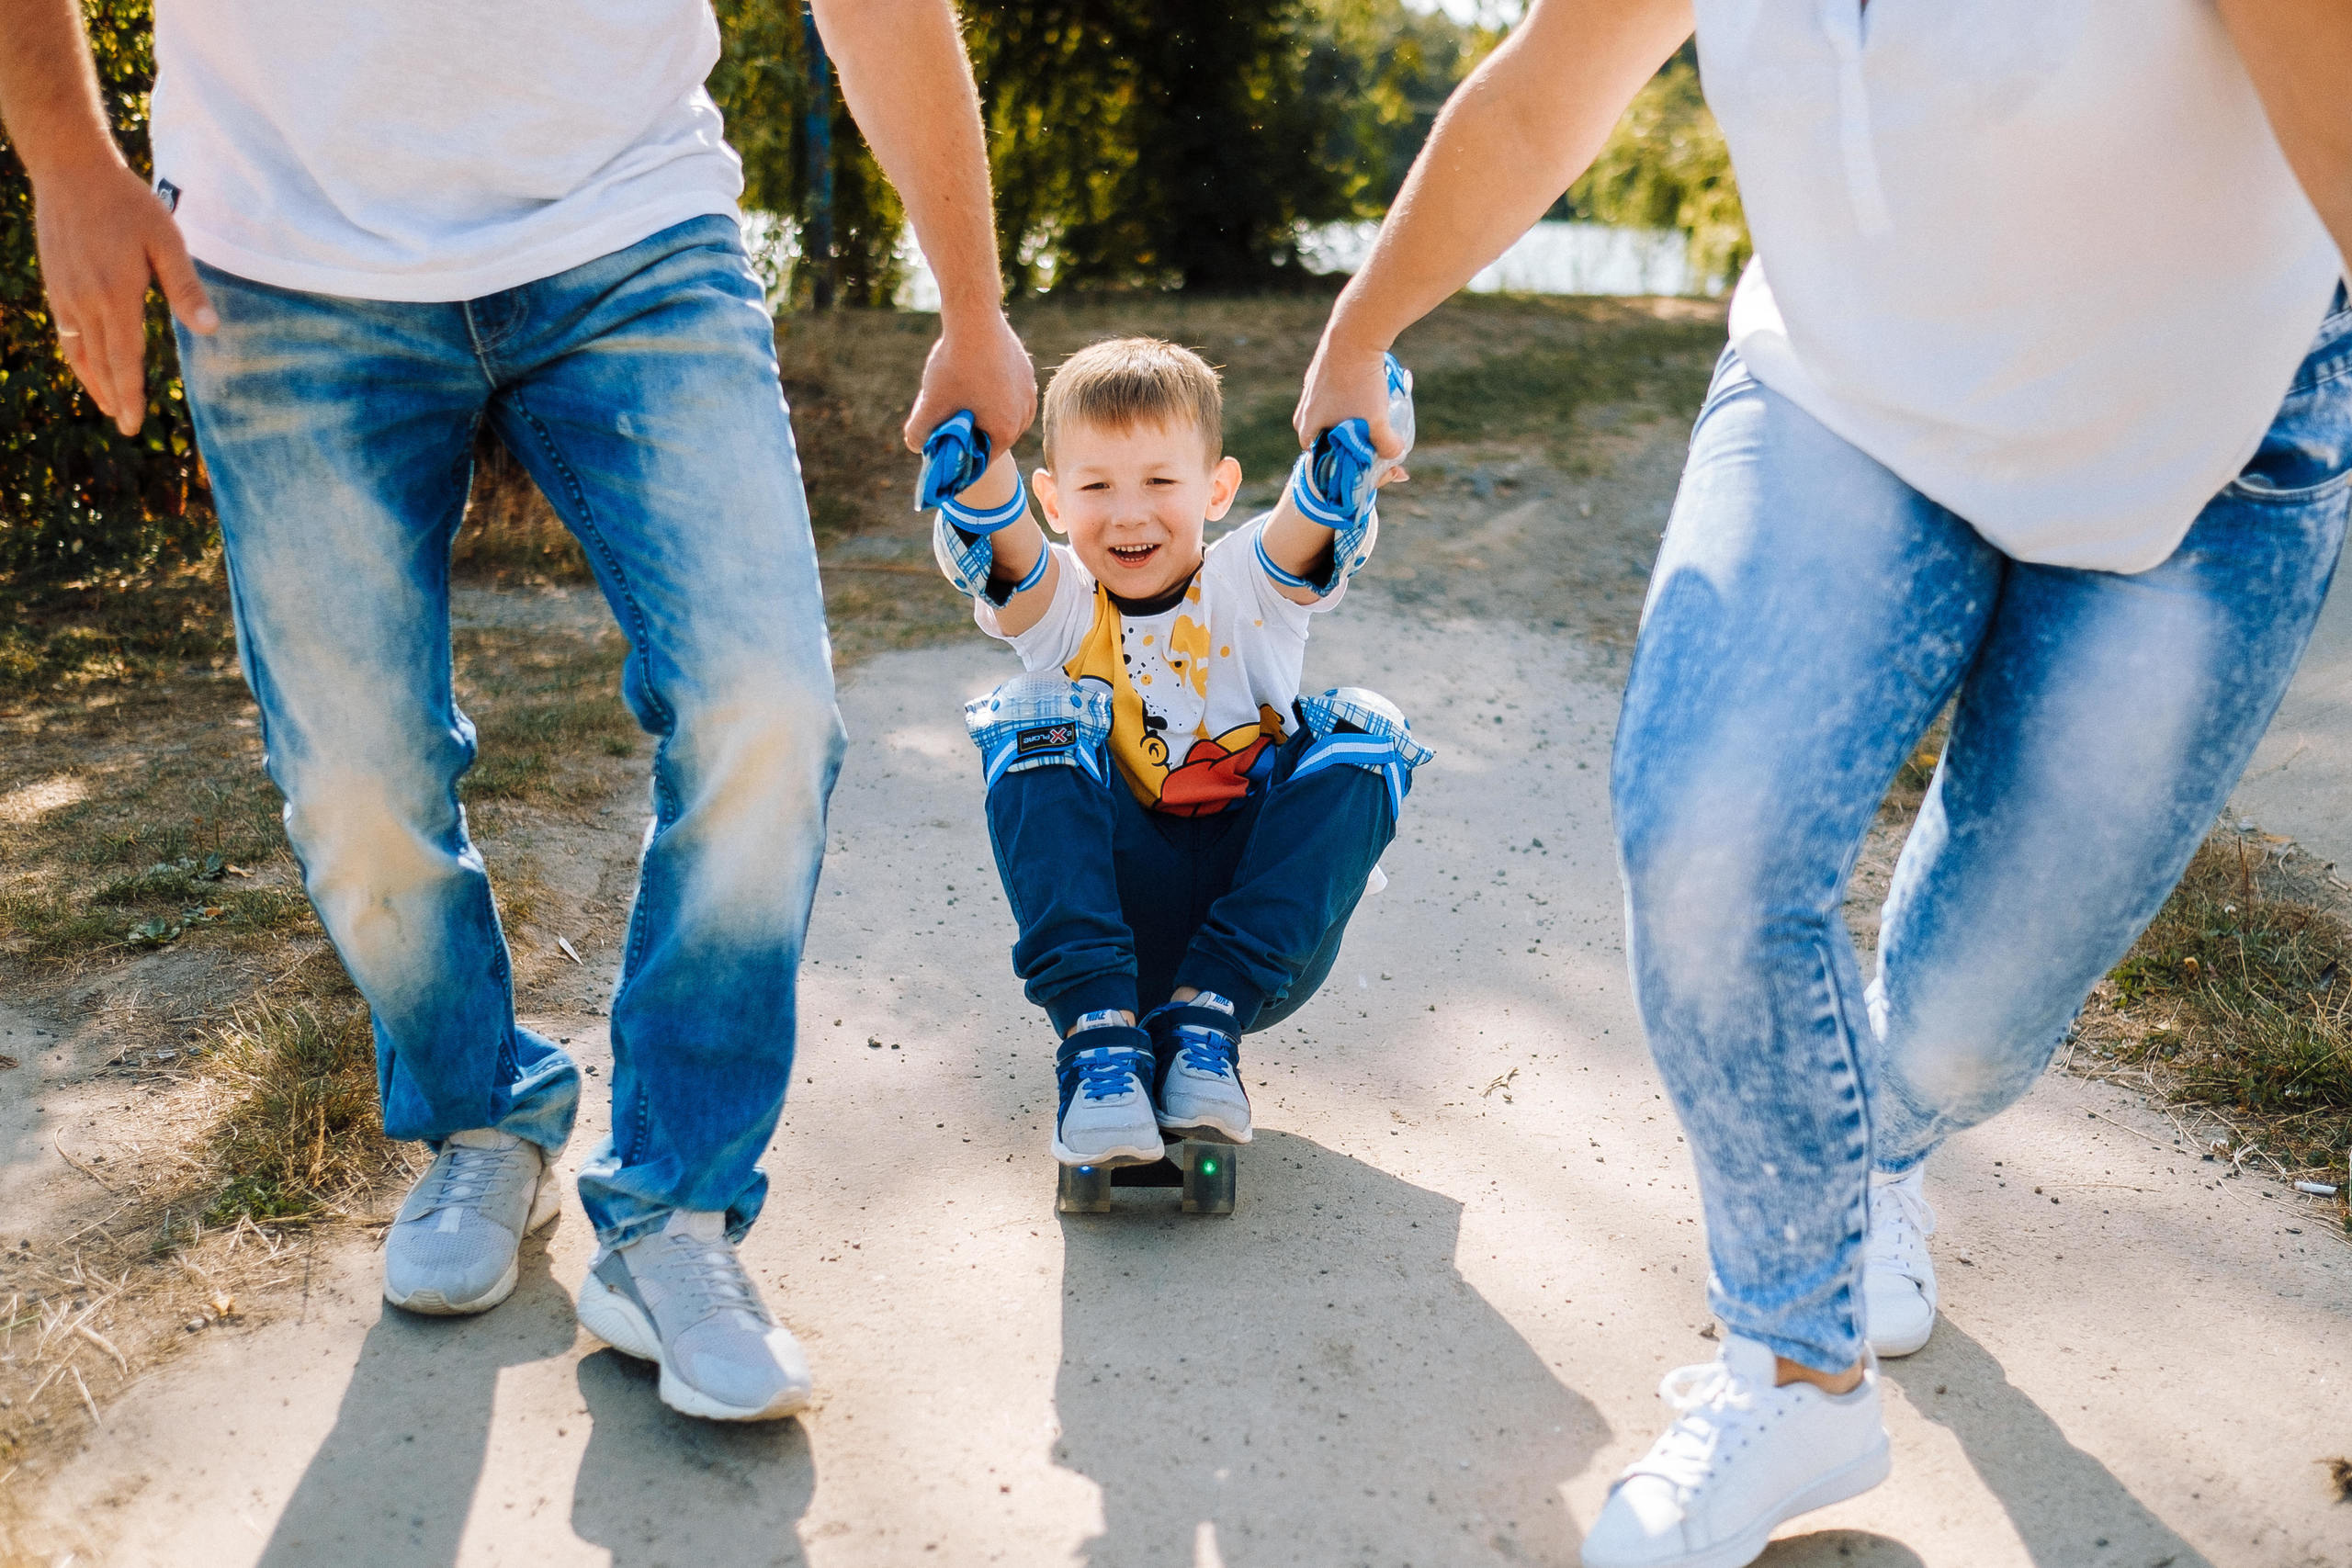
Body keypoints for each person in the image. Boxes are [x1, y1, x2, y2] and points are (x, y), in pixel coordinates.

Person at [1291, 2, 2350, 1563]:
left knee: (1971, 1021)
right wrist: (1357, 334)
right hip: (1845, 395)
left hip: (2196, 458)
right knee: (1707, 829)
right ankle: (1794, 1363)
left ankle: (1884, 1142)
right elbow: (1541, 98)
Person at [0, 0, 1035, 1422]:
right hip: (275, 259)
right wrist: (67, 156)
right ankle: (484, 1109)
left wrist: (972, 307)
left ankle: (675, 1209)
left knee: (767, 704)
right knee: (355, 779)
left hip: (632, 226)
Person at [927, 336, 1430, 1168]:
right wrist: (972, 442)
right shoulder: (1063, 605)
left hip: (1255, 937)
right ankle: (1099, 1046)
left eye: (1161, 481)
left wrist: (1348, 456)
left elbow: (1306, 525)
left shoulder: (1251, 584)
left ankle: (1203, 1027)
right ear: (1053, 496)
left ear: (1218, 488)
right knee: (1031, 711)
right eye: (1095, 487)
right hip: (1111, 918)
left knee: (1367, 732)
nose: (1128, 513)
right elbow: (1003, 538)